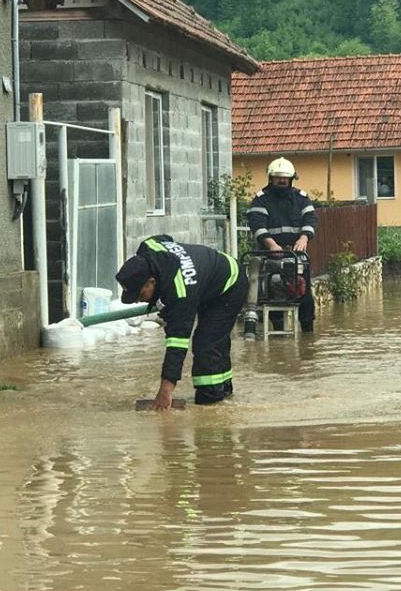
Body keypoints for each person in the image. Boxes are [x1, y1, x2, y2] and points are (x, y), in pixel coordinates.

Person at [116, 235, 248, 409]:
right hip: (206, 280)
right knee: (213, 340)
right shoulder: (149, 247)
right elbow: (164, 238)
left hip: (230, 285)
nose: (138, 301)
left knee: (206, 343)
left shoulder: (180, 292)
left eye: (140, 295)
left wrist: (165, 392)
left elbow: (177, 345)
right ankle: (224, 391)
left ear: (152, 281)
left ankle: (211, 401)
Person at [246, 157, 317, 332]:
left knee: (305, 295)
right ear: (271, 178)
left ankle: (307, 334)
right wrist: (271, 245)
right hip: (270, 256)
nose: (282, 181)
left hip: (296, 256)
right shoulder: (261, 199)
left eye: (285, 178)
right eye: (278, 177)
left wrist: (303, 238)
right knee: (273, 293)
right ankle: (277, 330)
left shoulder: (301, 198)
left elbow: (311, 219)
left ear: (292, 179)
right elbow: (257, 224)